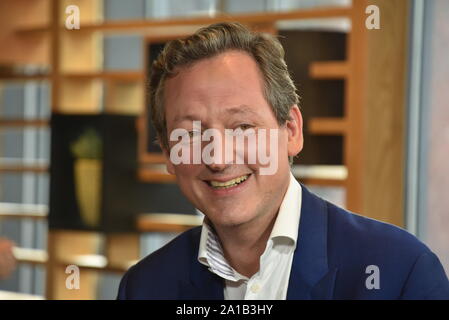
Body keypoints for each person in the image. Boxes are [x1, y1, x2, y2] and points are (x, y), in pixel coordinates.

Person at [117, 22, 449, 299]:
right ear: (168, 154)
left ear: (291, 130)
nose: (217, 157)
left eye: (242, 127)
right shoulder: (145, 287)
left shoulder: (400, 272)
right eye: (190, 134)